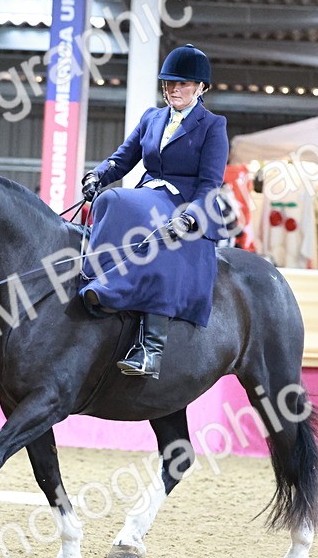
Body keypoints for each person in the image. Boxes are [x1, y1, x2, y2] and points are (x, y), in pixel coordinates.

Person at [78, 45, 229, 379]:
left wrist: (191, 217)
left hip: (185, 204)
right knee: (110, 200)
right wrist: (97, 176)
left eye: (183, 84)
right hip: (149, 194)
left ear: (201, 87)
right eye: (169, 83)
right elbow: (121, 159)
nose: (174, 89)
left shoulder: (213, 126)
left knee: (146, 222)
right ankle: (97, 285)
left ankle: (151, 349)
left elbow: (210, 184)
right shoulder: (152, 117)